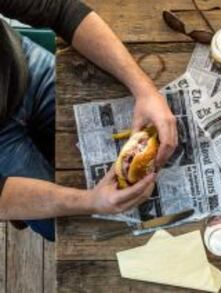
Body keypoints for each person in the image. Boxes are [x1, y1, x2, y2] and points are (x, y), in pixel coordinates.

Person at [0, 0, 178, 241]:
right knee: (63, 230)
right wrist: (90, 201)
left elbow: (61, 10)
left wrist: (145, 89)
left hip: (23, 68)